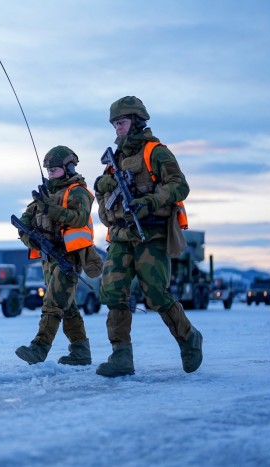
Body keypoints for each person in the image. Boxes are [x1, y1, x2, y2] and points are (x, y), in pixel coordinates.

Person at [93, 96, 203, 377]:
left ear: (137, 121)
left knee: (155, 293)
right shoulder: (115, 159)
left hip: (151, 233)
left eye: (122, 122)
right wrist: (104, 184)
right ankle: (121, 356)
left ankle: (188, 338)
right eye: (115, 123)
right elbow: (103, 193)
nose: (118, 128)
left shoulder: (156, 152)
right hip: (120, 235)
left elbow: (180, 186)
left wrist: (151, 201)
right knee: (112, 291)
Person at [15, 146, 103, 365]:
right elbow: (26, 220)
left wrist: (49, 208)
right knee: (68, 306)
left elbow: (79, 218)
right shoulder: (46, 192)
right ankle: (81, 352)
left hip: (69, 257)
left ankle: (39, 348)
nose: (50, 173)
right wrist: (30, 238)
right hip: (48, 256)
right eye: (48, 170)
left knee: (53, 303)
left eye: (54, 169)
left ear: (69, 167)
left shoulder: (78, 191)